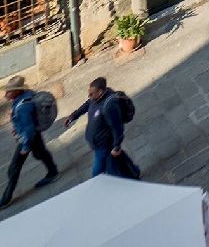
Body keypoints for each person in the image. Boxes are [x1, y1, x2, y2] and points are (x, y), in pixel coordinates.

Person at [1, 75, 58, 209]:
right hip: (33, 135)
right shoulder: (27, 95)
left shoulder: (23, 106)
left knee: (14, 167)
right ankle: (53, 172)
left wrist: (25, 147)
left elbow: (29, 128)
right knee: (41, 153)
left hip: (28, 138)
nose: (6, 94)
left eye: (9, 91)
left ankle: (5, 198)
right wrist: (17, 127)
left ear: (17, 91)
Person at [63, 77, 130, 178]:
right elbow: (86, 105)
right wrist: (73, 116)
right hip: (97, 143)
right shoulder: (94, 98)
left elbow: (117, 128)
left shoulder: (109, 106)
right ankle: (130, 174)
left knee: (97, 172)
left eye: (91, 94)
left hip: (103, 145)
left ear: (100, 92)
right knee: (113, 165)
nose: (89, 96)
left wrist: (117, 146)